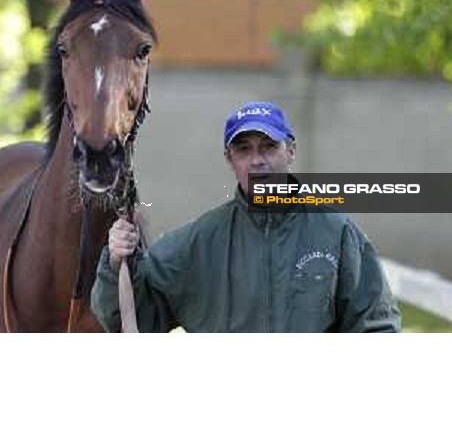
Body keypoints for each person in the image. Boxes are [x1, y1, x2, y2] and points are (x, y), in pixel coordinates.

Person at [91, 101, 401, 332]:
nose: (257, 161)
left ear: (290, 151)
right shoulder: (199, 242)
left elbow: (377, 326)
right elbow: (131, 320)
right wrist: (117, 263)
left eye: (269, 147)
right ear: (230, 159)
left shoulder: (336, 232)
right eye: (244, 150)